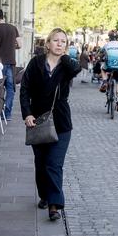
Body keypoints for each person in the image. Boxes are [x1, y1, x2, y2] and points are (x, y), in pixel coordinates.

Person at [20, 28, 81, 220]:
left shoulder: (66, 66)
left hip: (61, 121)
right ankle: (45, 195)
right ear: (47, 44)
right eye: (56, 40)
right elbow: (25, 90)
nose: (60, 44)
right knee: (41, 163)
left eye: (64, 41)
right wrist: (27, 114)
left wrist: (64, 58)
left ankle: (54, 205)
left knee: (54, 164)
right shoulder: (36, 63)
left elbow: (76, 69)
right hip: (37, 119)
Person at [0, 9, 21, 119]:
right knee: (10, 88)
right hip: (11, 62)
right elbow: (20, 44)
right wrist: (12, 46)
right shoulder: (13, 28)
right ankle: (7, 114)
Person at [98, 31, 118, 112]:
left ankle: (105, 82)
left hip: (108, 65)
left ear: (109, 37)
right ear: (117, 38)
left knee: (102, 68)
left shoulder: (106, 45)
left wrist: (99, 58)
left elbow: (100, 54)